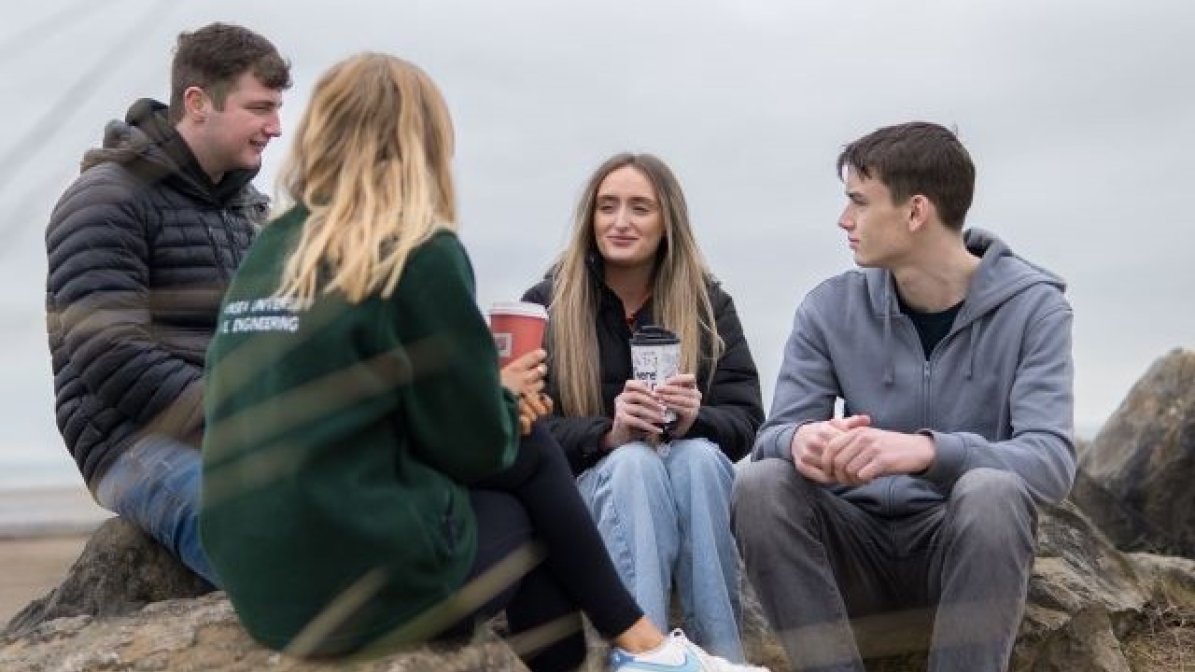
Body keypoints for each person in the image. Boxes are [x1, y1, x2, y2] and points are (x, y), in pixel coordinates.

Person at [198, 53, 768, 672]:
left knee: (540, 465)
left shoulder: (273, 248)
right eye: (608, 206)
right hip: (355, 590)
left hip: (261, 585)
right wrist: (502, 396)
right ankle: (644, 647)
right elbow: (474, 446)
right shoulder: (416, 252)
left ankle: (641, 647)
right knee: (531, 483)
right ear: (424, 143)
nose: (620, 221)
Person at [732, 122, 1076, 672]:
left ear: (916, 213)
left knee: (991, 492)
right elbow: (771, 439)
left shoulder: (1034, 310)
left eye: (859, 203)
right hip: (850, 561)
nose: (844, 221)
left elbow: (1051, 462)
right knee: (760, 482)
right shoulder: (828, 309)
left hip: (960, 562)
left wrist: (928, 452)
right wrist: (803, 441)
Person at [43, 23, 291, 586]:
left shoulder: (251, 210)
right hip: (132, 439)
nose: (276, 127)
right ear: (198, 103)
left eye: (278, 109)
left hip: (246, 429)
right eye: (260, 108)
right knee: (261, 546)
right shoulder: (106, 198)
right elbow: (110, 353)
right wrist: (242, 421)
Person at [523, 153, 764, 661]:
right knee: (633, 463)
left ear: (666, 221)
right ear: (590, 219)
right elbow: (527, 430)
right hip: (591, 495)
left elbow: (746, 420)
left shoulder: (707, 305)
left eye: (640, 208)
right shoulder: (548, 303)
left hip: (685, 481)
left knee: (699, 458)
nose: (620, 222)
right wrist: (609, 433)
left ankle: (724, 657)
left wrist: (696, 418)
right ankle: (647, 658)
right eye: (607, 207)